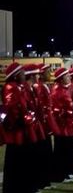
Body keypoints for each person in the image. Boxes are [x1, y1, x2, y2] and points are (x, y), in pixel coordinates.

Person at [2, 63, 33, 193]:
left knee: (21, 157)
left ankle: (20, 185)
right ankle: (12, 187)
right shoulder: (11, 87)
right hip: (15, 129)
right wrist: (22, 119)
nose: (24, 75)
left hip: (21, 127)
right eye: (21, 72)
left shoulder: (19, 87)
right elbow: (11, 108)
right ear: (15, 75)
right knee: (14, 157)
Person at [51, 67, 73, 183]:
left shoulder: (66, 89)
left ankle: (67, 171)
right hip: (62, 125)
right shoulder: (57, 91)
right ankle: (59, 174)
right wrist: (67, 113)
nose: (69, 77)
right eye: (67, 76)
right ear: (61, 78)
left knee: (68, 149)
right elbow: (56, 109)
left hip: (69, 123)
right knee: (61, 150)